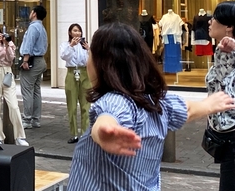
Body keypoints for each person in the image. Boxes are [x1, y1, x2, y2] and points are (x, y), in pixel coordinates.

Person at [67, 22, 235, 191]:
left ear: (103, 64)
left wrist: (104, 132)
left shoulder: (115, 100)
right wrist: (207, 105)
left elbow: (108, 117)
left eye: (90, 55)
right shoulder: (159, 102)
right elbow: (188, 110)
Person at [0, 20, 28, 146]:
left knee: (14, 106)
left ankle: (19, 136)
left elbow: (10, 58)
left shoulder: (7, 42)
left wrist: (6, 44)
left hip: (7, 73)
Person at [205, 0, 235, 191]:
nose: (210, 21)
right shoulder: (222, 52)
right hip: (226, 138)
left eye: (215, 18)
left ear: (229, 26)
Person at [60, 23, 91, 144]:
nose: (77, 33)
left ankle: (84, 133)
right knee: (72, 106)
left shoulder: (85, 45)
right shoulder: (65, 45)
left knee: (86, 105)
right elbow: (64, 56)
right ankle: (74, 134)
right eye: (75, 31)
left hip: (84, 73)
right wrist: (71, 46)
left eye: (79, 31)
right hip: (71, 73)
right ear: (70, 32)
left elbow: (91, 60)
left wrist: (88, 49)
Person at [19, 5, 48, 129]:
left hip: (32, 61)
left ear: (34, 13)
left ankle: (27, 119)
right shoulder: (41, 27)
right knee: (36, 91)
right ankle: (36, 119)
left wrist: (25, 60)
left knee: (27, 90)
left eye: (31, 12)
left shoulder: (33, 27)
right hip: (40, 60)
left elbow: (29, 45)